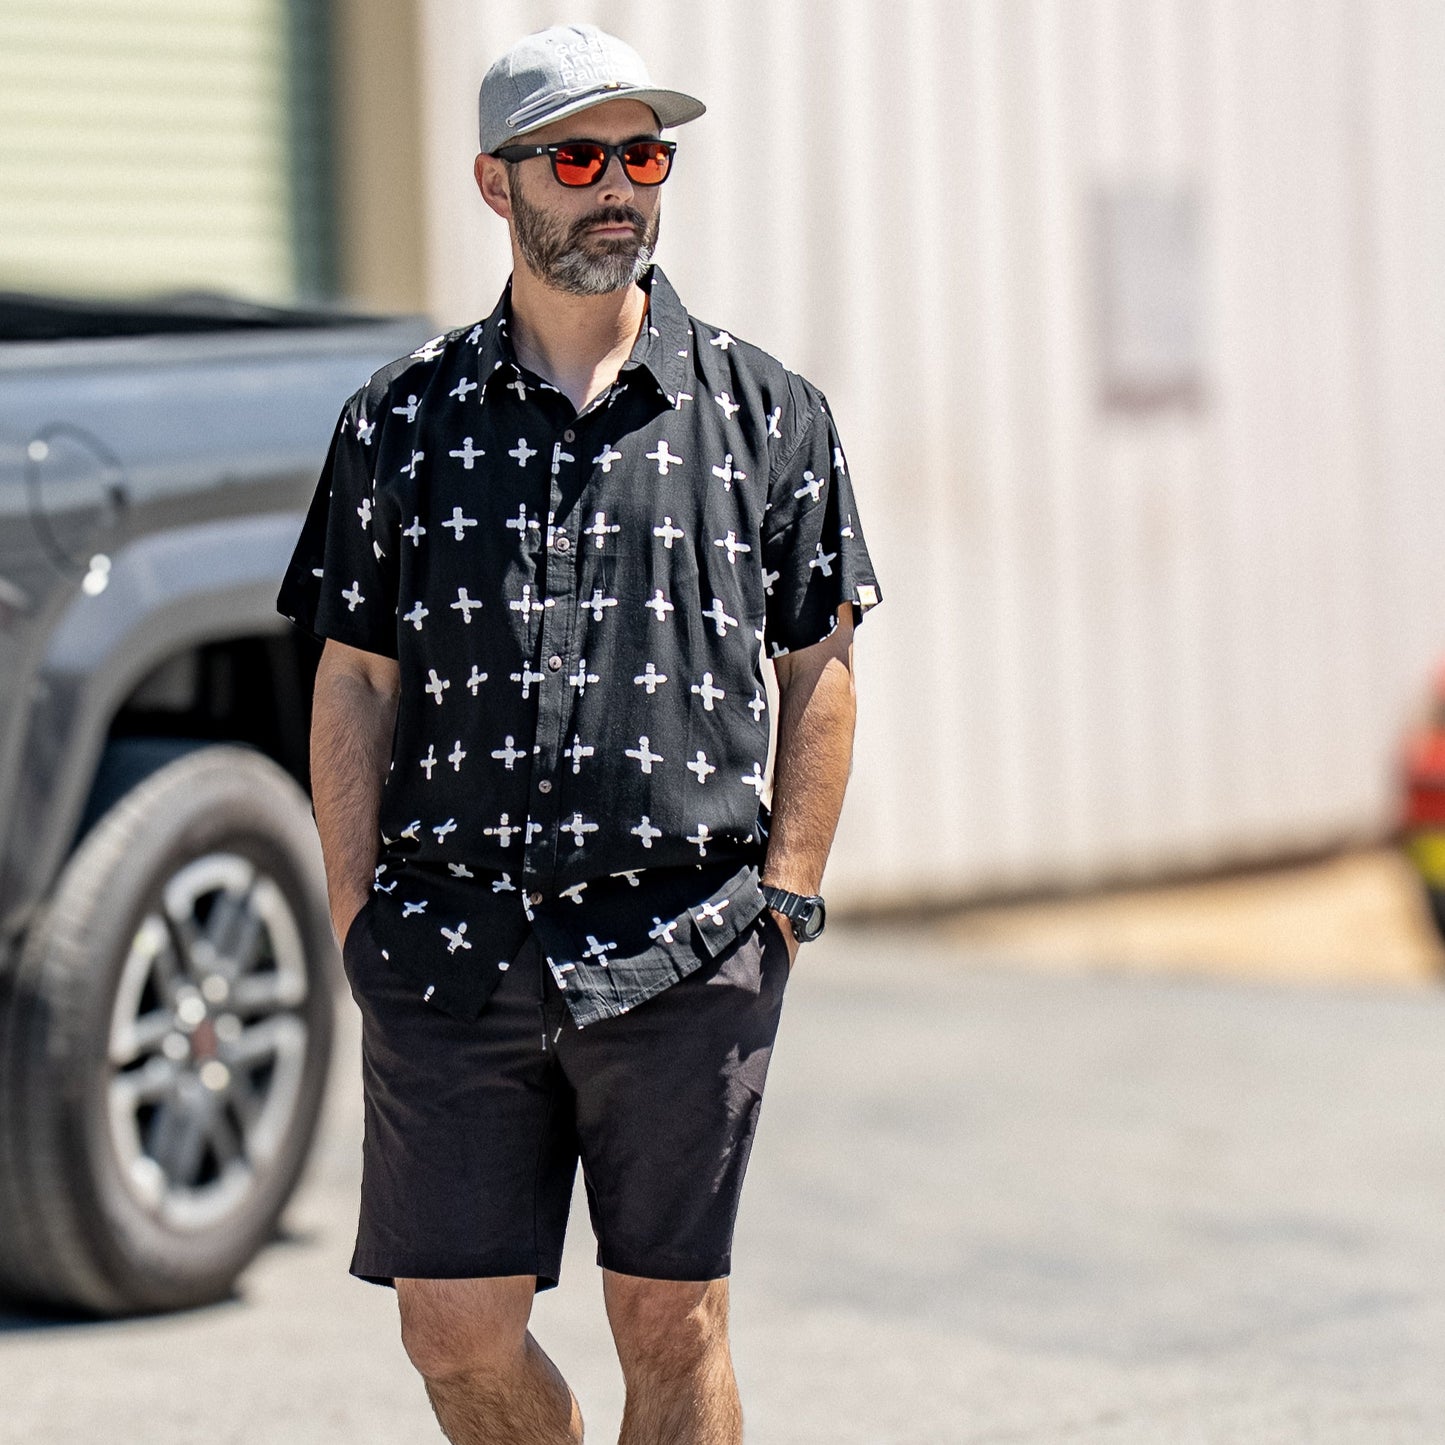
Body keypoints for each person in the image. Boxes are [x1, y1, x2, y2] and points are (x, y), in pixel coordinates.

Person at [277, 22, 881, 1445]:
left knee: (669, 1322)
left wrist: (783, 894)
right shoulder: (400, 421)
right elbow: (353, 674)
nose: (617, 185)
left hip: (683, 936)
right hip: (444, 938)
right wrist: (352, 899)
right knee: (452, 1329)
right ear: (498, 185)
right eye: (576, 156)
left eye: (642, 155)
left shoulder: (767, 414)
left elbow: (821, 665)